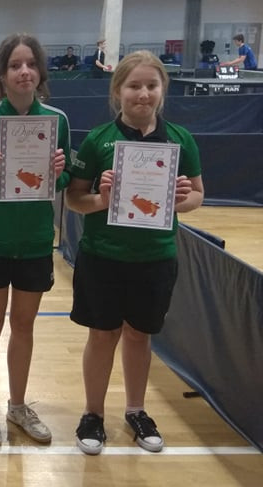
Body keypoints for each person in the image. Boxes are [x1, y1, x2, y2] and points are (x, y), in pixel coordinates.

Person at [64, 50, 204, 456]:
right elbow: (73, 198)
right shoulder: (98, 140)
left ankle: (136, 410)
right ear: (117, 91)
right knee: (102, 335)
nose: (143, 94)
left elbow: (198, 194)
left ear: (163, 91)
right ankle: (92, 414)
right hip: (102, 256)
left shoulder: (180, 140)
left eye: (151, 86)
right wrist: (102, 199)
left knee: (140, 336)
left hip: (155, 257)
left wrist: (180, 201)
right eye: (134, 86)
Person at [0, 34, 71, 448]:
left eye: (31, 64)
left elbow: (68, 178)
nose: (24, 72)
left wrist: (59, 172)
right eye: (15, 65)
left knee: (23, 326)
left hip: (36, 241)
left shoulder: (56, 121)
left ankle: (18, 406)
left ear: (40, 73)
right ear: (2, 75)